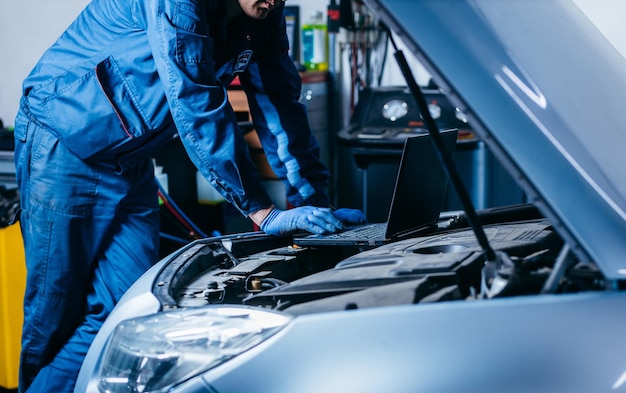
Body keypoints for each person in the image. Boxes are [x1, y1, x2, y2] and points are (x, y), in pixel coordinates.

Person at [12, 0, 366, 391]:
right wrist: (260, 209)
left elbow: (279, 102)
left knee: (129, 314)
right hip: (64, 141)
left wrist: (313, 204)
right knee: (54, 312)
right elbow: (194, 100)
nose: (274, 0)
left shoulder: (264, 13)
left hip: (130, 158)